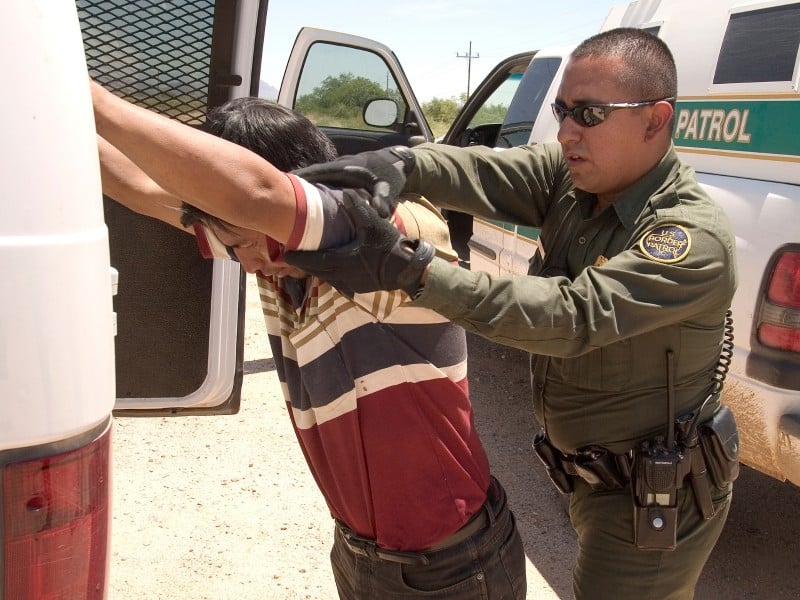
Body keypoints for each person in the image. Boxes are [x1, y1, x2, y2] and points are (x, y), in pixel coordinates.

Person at [283, 28, 740, 600]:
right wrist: (402, 163)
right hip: (596, 477)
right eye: (563, 111)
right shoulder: (578, 181)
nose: (568, 131)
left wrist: (412, 273)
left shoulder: (689, 237)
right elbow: (484, 172)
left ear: (655, 120)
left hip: (649, 495)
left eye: (590, 114)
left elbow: (571, 316)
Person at [92, 89, 527, 599]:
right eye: (233, 246)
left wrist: (81, 88)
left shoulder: (385, 234)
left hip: (449, 565)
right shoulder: (273, 253)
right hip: (361, 555)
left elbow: (256, 196)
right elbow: (141, 187)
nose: (248, 263)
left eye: (249, 243)